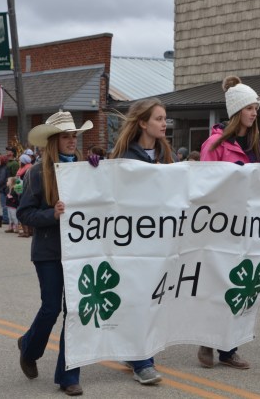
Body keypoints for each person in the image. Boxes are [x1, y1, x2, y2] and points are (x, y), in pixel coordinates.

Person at [16, 110, 93, 397]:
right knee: (50, 308)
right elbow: (24, 213)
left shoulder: (86, 169)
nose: (72, 141)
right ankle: (29, 347)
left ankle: (68, 375)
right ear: (54, 141)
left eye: (74, 136)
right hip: (49, 251)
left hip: (79, 250)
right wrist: (52, 214)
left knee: (74, 311)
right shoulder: (38, 172)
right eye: (66, 137)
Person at [197, 75, 260, 370]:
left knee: (239, 284)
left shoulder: (257, 145)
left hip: (246, 225)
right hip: (219, 225)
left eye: (256, 108)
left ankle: (229, 348)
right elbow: (203, 184)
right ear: (237, 110)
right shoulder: (215, 144)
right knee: (216, 284)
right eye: (249, 108)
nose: (254, 113)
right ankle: (206, 340)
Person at [109, 97, 177, 384]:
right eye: (159, 119)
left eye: (165, 118)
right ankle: (142, 362)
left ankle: (135, 353)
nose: (164, 124)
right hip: (134, 241)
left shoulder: (166, 156)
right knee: (139, 298)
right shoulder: (126, 159)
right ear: (142, 123)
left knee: (154, 299)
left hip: (160, 241)